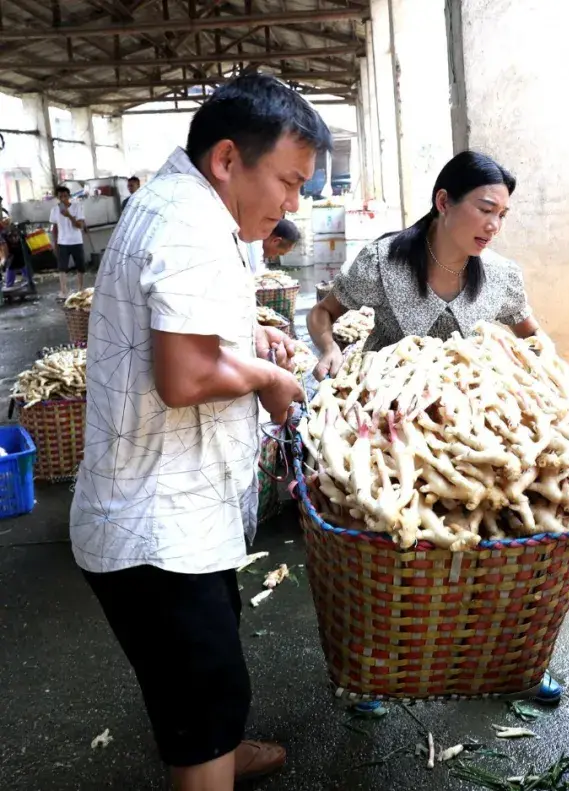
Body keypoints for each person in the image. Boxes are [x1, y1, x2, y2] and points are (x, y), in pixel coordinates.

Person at [70, 73, 329, 790]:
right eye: (288, 180)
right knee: (201, 681)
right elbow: (184, 375)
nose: (292, 204)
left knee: (203, 664)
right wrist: (271, 381)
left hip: (177, 511)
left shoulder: (186, 204)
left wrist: (248, 342)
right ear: (226, 160)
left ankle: (219, 745)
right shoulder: (189, 222)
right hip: (155, 530)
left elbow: (190, 336)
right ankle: (208, 757)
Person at [307, 150, 540, 380]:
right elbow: (323, 311)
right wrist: (329, 348)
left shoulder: (500, 275)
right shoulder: (382, 263)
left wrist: (547, 367)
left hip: (466, 406)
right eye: (485, 210)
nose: (494, 226)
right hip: (385, 402)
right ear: (443, 202)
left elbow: (532, 336)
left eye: (501, 215)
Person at [49, 185, 86, 299]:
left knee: (80, 267)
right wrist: (54, 243)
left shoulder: (77, 207)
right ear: (57, 197)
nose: (63, 198)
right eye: (60, 196)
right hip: (62, 242)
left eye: (65, 196)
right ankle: (64, 291)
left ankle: (80, 290)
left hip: (76, 241)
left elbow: (80, 225)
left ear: (69, 196)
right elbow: (54, 228)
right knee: (62, 268)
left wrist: (68, 215)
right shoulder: (55, 210)